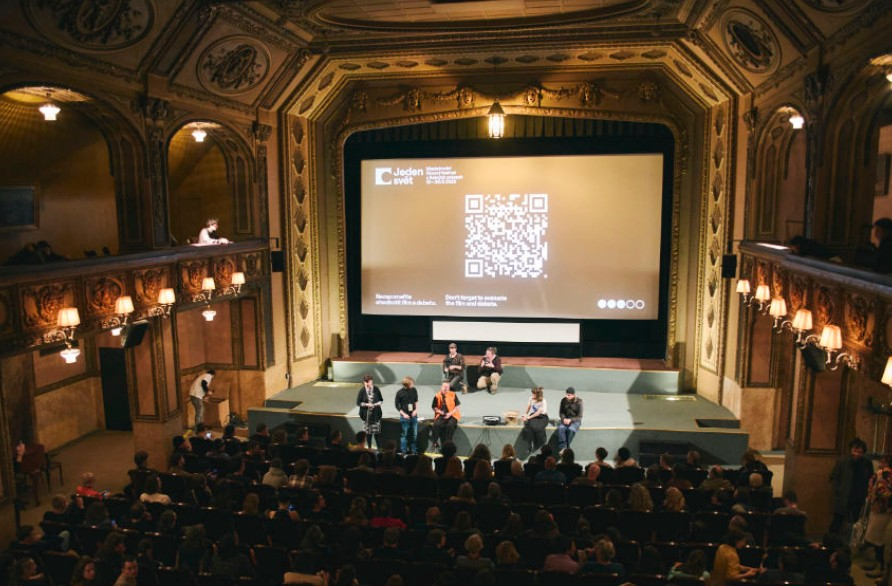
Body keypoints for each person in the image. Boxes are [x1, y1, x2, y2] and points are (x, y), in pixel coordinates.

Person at [829, 437, 874, 536]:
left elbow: (871, 478)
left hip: (858, 497)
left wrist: (867, 493)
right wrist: (838, 490)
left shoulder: (867, 463)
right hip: (843, 496)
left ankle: (851, 541)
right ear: (850, 450)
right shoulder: (843, 462)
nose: (856, 454)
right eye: (854, 451)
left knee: (856, 522)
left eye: (859, 452)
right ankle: (831, 540)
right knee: (837, 520)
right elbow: (834, 477)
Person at [430, 382, 461, 452]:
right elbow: (434, 407)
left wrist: (450, 414)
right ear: (441, 387)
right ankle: (434, 442)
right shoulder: (437, 396)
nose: (445, 388)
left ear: (449, 388)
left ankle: (447, 444)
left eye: (447, 387)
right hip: (441, 414)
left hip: (452, 414)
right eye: (444, 387)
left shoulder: (453, 394)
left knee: (450, 426)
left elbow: (457, 406)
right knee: (436, 425)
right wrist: (441, 412)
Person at [356, 374, 383, 450]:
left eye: (370, 382)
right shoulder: (362, 391)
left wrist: (376, 404)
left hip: (375, 415)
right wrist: (367, 404)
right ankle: (369, 449)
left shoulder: (376, 389)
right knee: (368, 434)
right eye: (367, 382)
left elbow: (381, 400)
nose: (368, 384)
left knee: (377, 434)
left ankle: (380, 450)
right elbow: (358, 402)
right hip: (366, 416)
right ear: (364, 382)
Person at [395, 376, 419, 454]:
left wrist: (416, 410)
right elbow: (397, 406)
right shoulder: (399, 393)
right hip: (404, 417)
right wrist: (404, 414)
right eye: (411, 384)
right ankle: (404, 451)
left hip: (413, 416)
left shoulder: (414, 390)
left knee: (414, 434)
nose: (413, 385)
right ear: (407, 385)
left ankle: (414, 450)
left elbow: (416, 401)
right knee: (404, 435)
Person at [521, 386, 548, 454]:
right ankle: (529, 445)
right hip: (534, 416)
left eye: (533, 394)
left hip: (542, 417)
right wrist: (525, 415)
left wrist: (529, 417)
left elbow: (538, 413)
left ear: (538, 395)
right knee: (529, 427)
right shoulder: (531, 398)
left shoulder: (543, 401)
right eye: (532, 393)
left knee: (538, 428)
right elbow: (528, 407)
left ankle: (541, 442)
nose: (532, 395)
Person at [557, 386, 583, 451]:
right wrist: (564, 419)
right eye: (566, 394)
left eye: (569, 395)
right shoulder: (563, 400)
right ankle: (563, 447)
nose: (567, 396)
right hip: (565, 419)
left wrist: (570, 420)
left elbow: (579, 416)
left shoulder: (579, 402)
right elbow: (561, 412)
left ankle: (567, 448)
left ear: (573, 395)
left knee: (570, 430)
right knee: (561, 428)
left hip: (575, 421)